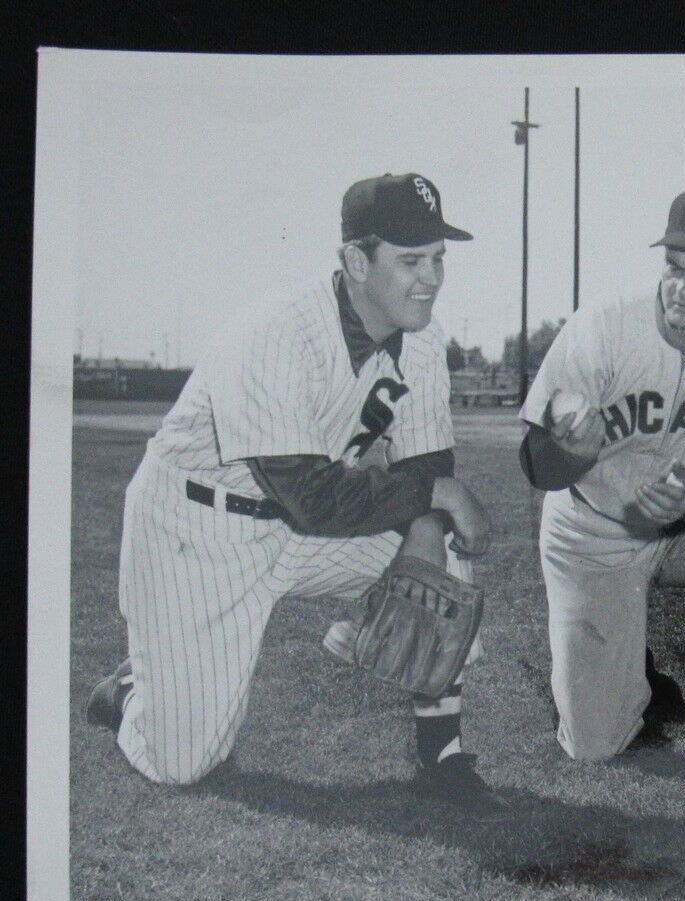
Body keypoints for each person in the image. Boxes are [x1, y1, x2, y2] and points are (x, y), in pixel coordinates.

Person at [86, 173, 502, 810]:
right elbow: (314, 495)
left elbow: (425, 460)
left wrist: (424, 538)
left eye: (439, 258)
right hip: (195, 530)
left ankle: (441, 755)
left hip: (300, 532)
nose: (432, 278)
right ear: (356, 262)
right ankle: (131, 691)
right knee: (184, 763)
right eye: (411, 260)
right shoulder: (277, 333)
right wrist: (437, 494)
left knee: (447, 559)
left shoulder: (423, 337)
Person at [518, 189, 685, 828]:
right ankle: (636, 672)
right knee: (592, 746)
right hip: (591, 529)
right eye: (674, 267)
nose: (683, 289)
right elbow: (536, 465)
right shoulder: (603, 327)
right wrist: (569, 449)